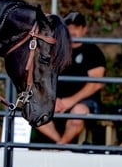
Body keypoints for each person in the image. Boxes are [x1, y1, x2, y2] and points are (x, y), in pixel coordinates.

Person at [37, 12, 106, 145]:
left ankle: (59, 147)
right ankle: (61, 145)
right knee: (35, 111)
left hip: (85, 101)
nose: (72, 31)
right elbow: (43, 77)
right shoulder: (56, 50)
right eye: (69, 27)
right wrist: (52, 99)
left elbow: (96, 84)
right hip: (57, 100)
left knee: (78, 113)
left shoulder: (93, 52)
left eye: (77, 27)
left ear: (84, 30)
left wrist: (70, 101)